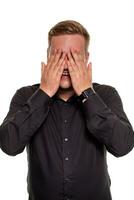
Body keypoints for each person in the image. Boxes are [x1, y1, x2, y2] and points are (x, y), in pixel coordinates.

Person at [0, 20, 134, 200]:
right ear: (48, 57)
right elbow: (9, 145)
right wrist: (44, 92)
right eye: (58, 55)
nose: (65, 64)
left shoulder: (105, 94)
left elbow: (123, 146)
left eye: (73, 56)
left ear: (86, 58)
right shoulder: (26, 95)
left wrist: (87, 94)